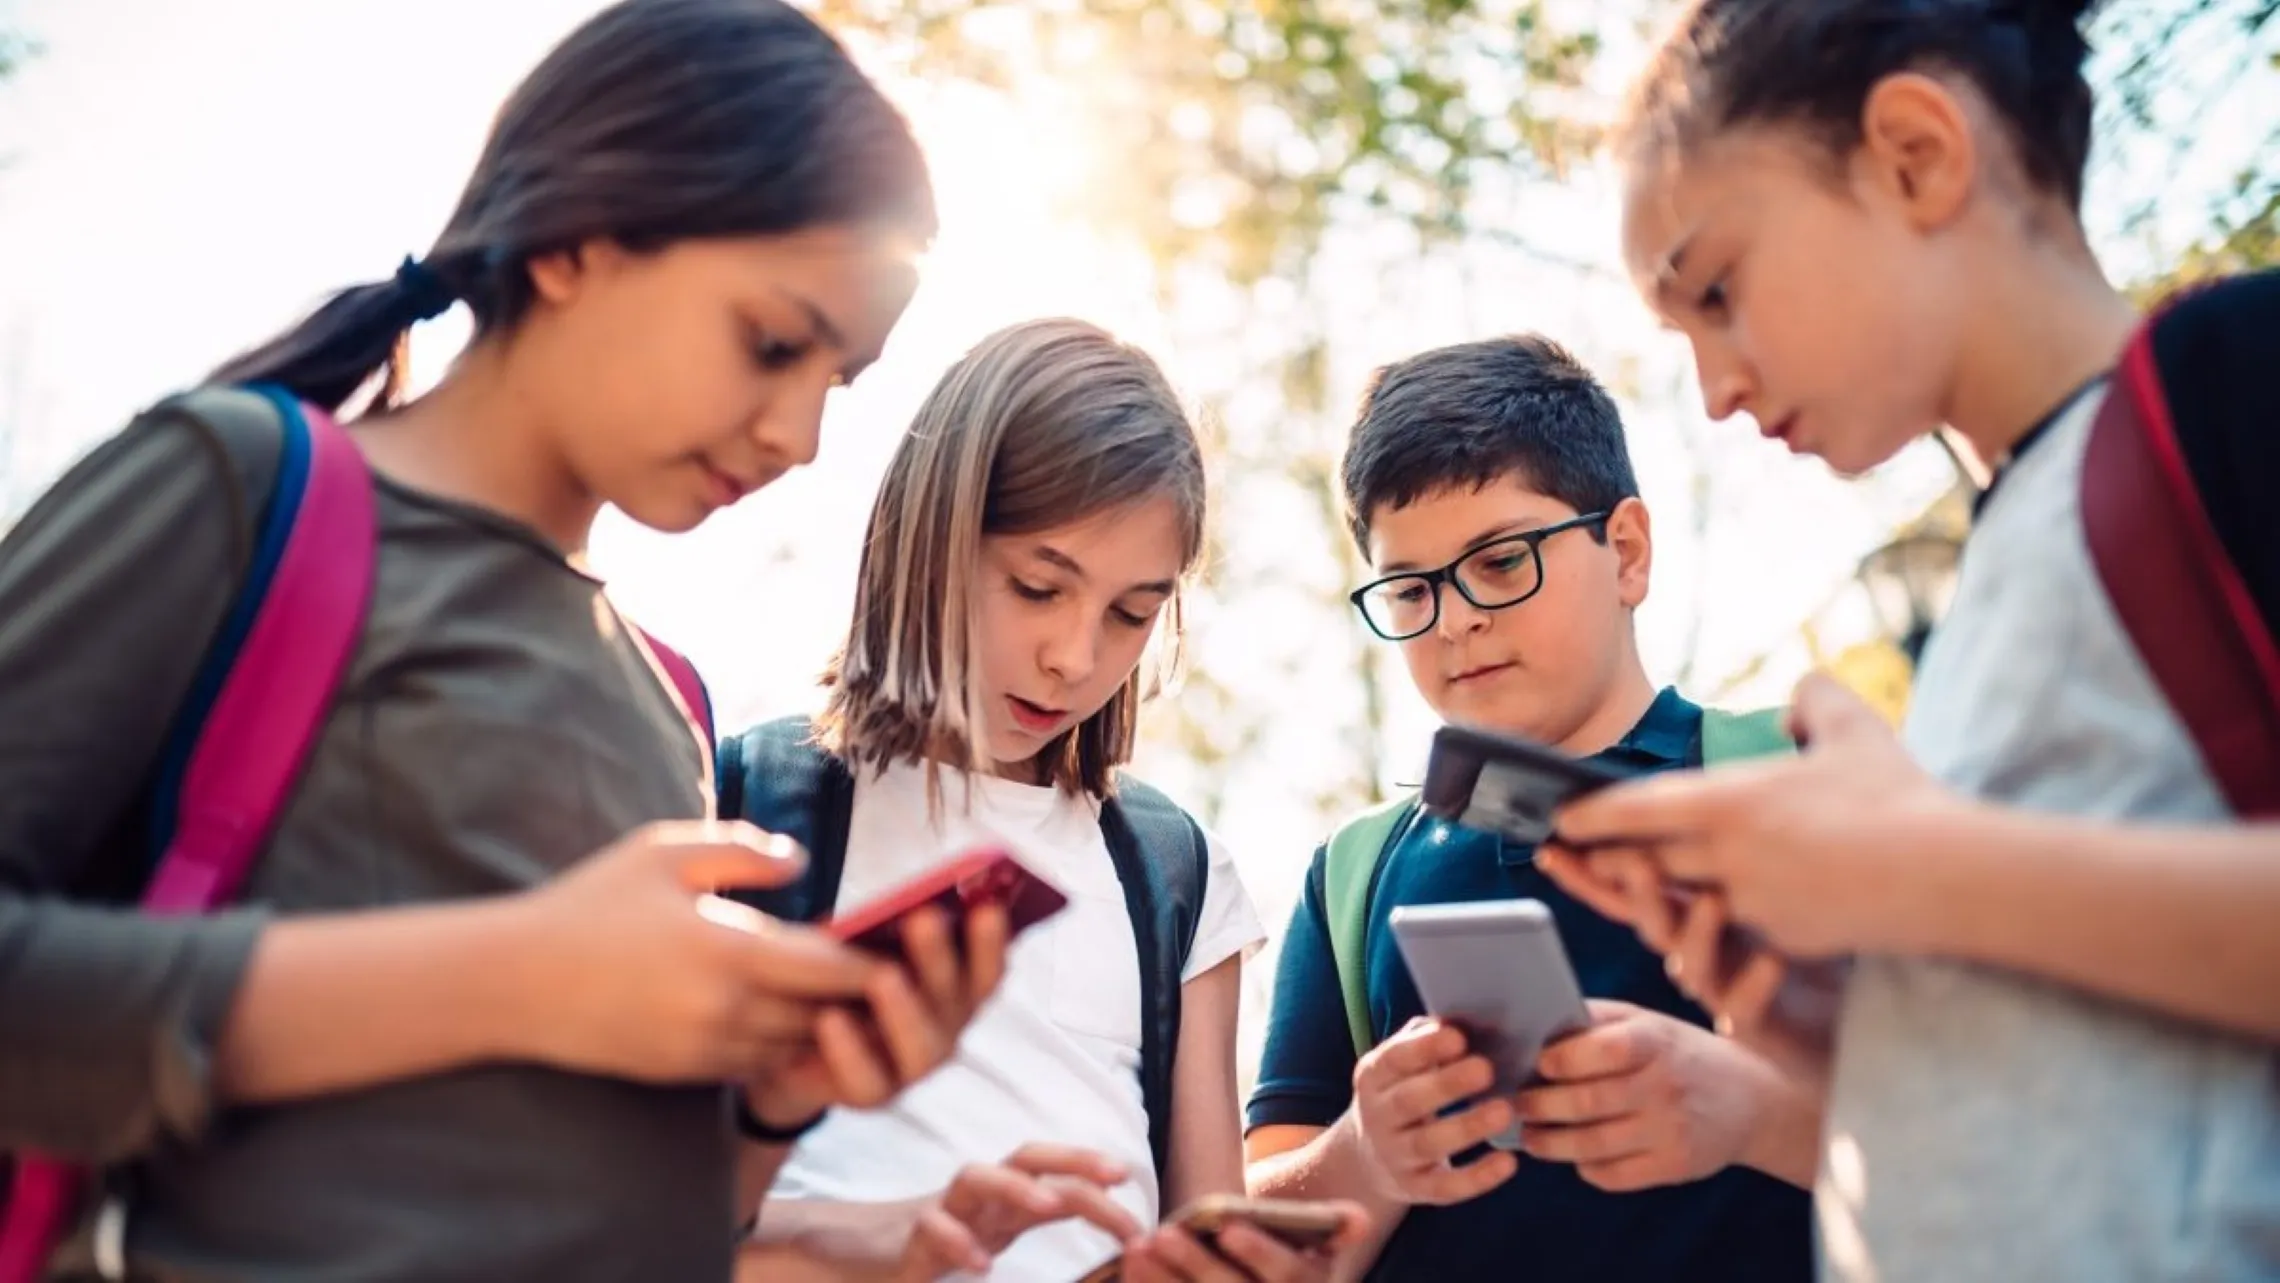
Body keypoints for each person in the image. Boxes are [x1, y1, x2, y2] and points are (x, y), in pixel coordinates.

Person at [0, 2, 1001, 1279]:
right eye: (771, 343)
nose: (799, 436)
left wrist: (771, 1099)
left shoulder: (671, 700)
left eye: (838, 381)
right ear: (578, 240)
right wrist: (518, 974)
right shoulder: (242, 487)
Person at [1540, 1, 2280, 1279]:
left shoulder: (2233, 379)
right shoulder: (1996, 573)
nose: (1714, 389)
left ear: (1914, 155)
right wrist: (1857, 1024)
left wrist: (1914, 869)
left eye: (1718, 289)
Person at [723, 318, 1368, 1281]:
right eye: (1037, 587)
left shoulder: (1176, 873)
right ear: (934, 537)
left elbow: (1204, 1229)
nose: (1074, 657)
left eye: (1132, 613)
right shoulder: (745, 803)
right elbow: (636, 1219)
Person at [1242, 335, 1818, 1282]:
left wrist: (1747, 1109)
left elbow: (1976, 1121)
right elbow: (1257, 1229)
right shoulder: (1351, 874)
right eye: (1411, 589)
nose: (1456, 618)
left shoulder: (1794, 778)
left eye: (1502, 562)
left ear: (1626, 551)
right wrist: (1368, 1152)